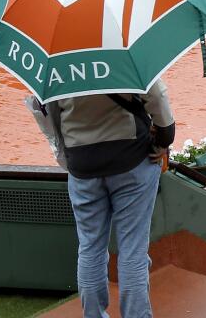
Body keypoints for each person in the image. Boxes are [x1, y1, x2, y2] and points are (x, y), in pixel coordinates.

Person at [55, 80, 175, 318]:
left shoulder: (54, 57)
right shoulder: (124, 44)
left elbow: (49, 114)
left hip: (82, 165)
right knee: (133, 251)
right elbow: (157, 96)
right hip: (131, 160)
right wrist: (164, 139)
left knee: (90, 248)